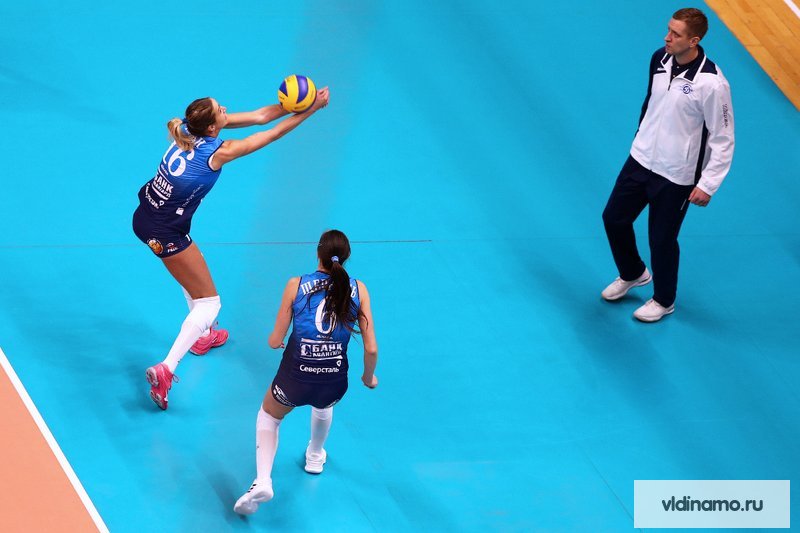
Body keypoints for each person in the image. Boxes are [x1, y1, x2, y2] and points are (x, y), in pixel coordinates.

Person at [133, 87, 331, 410]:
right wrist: (311, 110)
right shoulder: (219, 152)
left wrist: (292, 104)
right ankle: (167, 368)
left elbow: (261, 116)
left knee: (191, 273)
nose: (225, 108)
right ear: (212, 127)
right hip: (165, 231)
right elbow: (271, 134)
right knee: (209, 303)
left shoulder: (188, 128)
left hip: (146, 217)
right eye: (220, 109)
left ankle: (202, 336)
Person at [601, 7, 734, 322]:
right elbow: (650, 103)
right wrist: (641, 138)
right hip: (640, 160)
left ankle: (663, 300)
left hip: (676, 176)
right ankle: (633, 272)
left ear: (694, 41)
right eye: (669, 30)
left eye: (676, 34)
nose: (667, 37)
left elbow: (723, 138)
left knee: (661, 239)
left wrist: (707, 184)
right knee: (614, 219)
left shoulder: (713, 84)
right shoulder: (659, 59)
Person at [233, 229, 379, 516]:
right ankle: (314, 455)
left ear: (318, 253)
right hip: (334, 381)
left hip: (295, 379)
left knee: (269, 415)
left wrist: (278, 342)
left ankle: (262, 481)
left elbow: (274, 340)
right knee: (323, 404)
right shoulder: (359, 289)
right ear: (346, 257)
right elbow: (371, 348)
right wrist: (368, 377)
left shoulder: (296, 284)